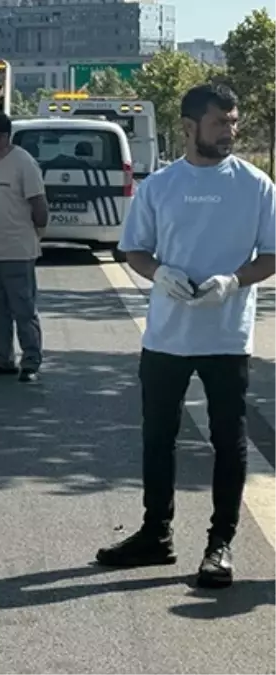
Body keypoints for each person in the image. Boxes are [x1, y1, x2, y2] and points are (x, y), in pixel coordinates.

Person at [96, 83, 276, 589]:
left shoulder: (256, 185)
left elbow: (273, 252)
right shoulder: (159, 187)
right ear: (190, 126)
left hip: (225, 335)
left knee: (228, 442)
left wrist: (234, 279)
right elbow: (133, 249)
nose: (231, 131)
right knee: (158, 438)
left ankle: (220, 545)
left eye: (234, 122)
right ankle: (156, 534)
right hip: (167, 337)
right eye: (221, 122)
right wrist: (159, 273)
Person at [0, 112, 48, 383]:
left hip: (17, 250)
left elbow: (39, 204)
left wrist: (38, 233)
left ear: (4, 136)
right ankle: (3, 358)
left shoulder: (23, 163)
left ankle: (31, 361)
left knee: (23, 308)